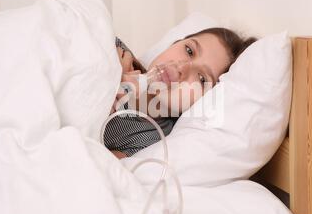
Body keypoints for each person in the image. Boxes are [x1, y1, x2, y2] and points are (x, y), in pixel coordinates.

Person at [104, 28, 257, 159]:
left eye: (202, 79)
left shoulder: (150, 144)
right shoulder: (113, 49)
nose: (181, 67)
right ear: (174, 44)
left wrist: (103, 94)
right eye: (189, 50)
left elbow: (92, 167)